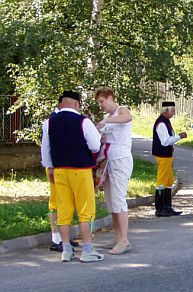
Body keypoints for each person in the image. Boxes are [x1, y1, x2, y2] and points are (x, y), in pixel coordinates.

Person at [41, 90, 103, 263]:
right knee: (85, 211)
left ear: (62, 103)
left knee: (64, 211)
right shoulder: (83, 121)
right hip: (81, 170)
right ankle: (87, 250)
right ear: (77, 104)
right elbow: (95, 145)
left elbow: (45, 149)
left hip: (59, 170)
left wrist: (50, 167)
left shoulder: (49, 122)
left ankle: (66, 250)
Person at [95, 86, 133, 255]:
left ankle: (124, 240)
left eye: (102, 101)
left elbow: (127, 117)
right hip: (108, 161)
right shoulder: (106, 117)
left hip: (120, 159)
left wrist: (108, 122)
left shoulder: (120, 110)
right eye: (99, 103)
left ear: (110, 97)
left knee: (118, 199)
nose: (101, 105)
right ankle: (118, 237)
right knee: (111, 201)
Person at [44, 101, 79, 252]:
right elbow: (45, 147)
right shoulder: (51, 121)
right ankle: (56, 238)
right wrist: (49, 166)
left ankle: (65, 237)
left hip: (64, 167)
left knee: (66, 203)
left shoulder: (62, 119)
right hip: (55, 167)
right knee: (57, 203)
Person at [152, 101, 187, 217]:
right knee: (161, 181)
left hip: (166, 156)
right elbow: (165, 141)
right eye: (172, 110)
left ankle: (167, 207)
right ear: (165, 110)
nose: (174, 112)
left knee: (168, 181)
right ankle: (160, 207)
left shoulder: (165, 121)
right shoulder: (161, 123)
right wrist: (179, 137)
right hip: (162, 155)